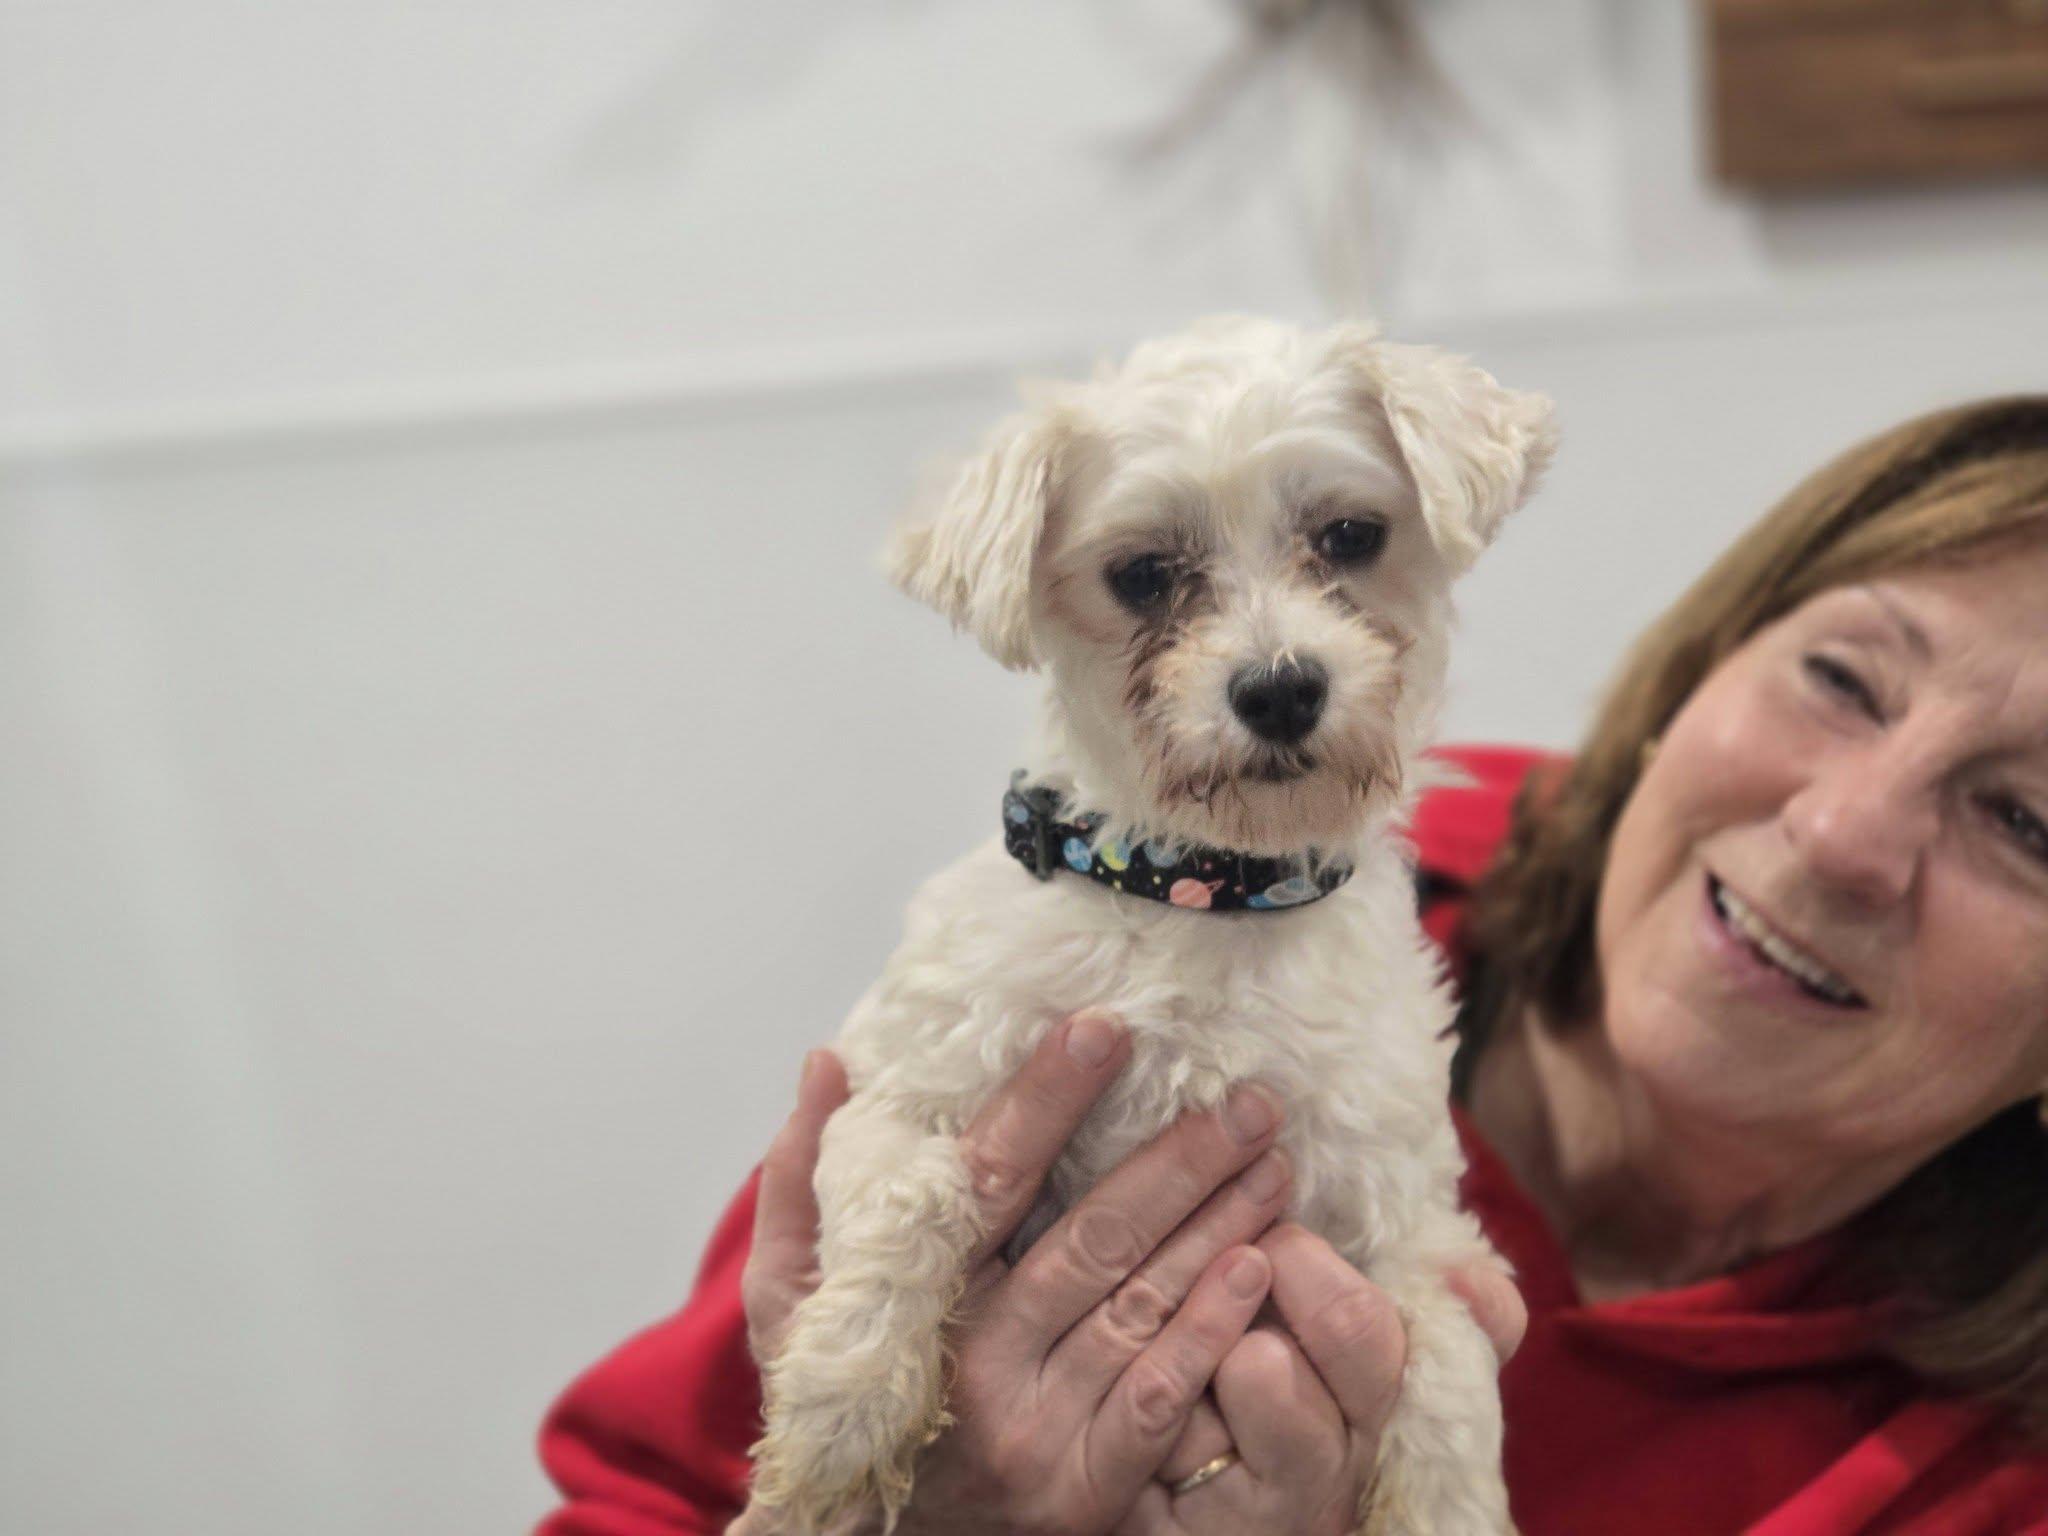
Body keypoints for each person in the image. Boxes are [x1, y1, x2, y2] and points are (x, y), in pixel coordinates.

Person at [534, 398, 2048, 1535]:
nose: (1844, 833)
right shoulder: (1072, 958)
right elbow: (645, 1495)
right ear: (1709, 656)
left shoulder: (1988, 1475)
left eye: (2029, 823)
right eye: (1844, 678)